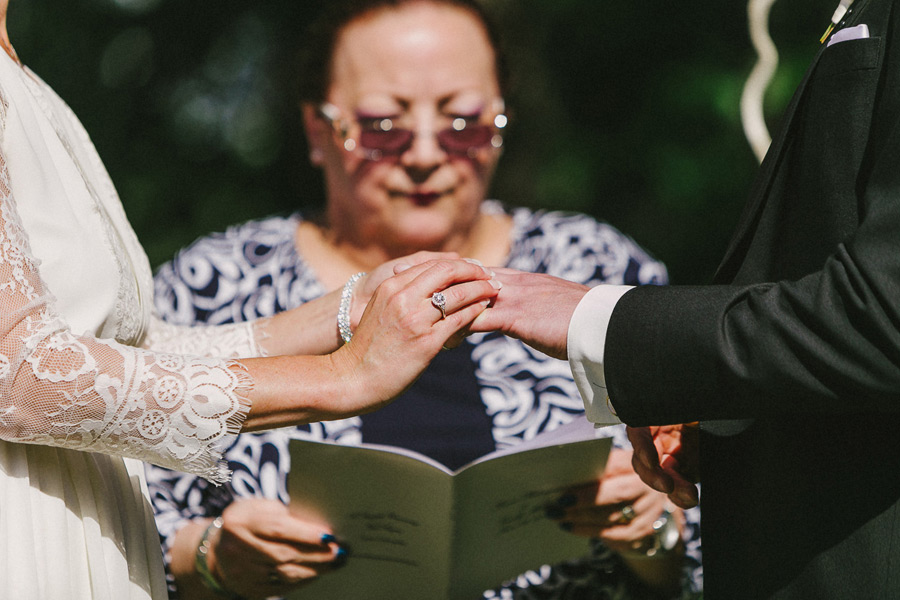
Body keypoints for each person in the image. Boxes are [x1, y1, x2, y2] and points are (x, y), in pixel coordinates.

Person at [144, 0, 702, 599]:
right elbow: (125, 526)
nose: (427, 154)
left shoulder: (595, 268)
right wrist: (211, 558)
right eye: (385, 126)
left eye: (464, 123)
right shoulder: (215, 285)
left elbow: (713, 538)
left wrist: (651, 530)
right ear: (317, 130)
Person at [0, 0, 503, 597]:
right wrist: (344, 378)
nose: (424, 154)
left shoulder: (25, 79)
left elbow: (115, 347)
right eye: (384, 124)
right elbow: (18, 369)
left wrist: (342, 309)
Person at [471, 0, 900, 597]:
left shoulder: (587, 251)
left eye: (466, 119)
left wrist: (598, 322)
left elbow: (884, 318)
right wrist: (728, 405)